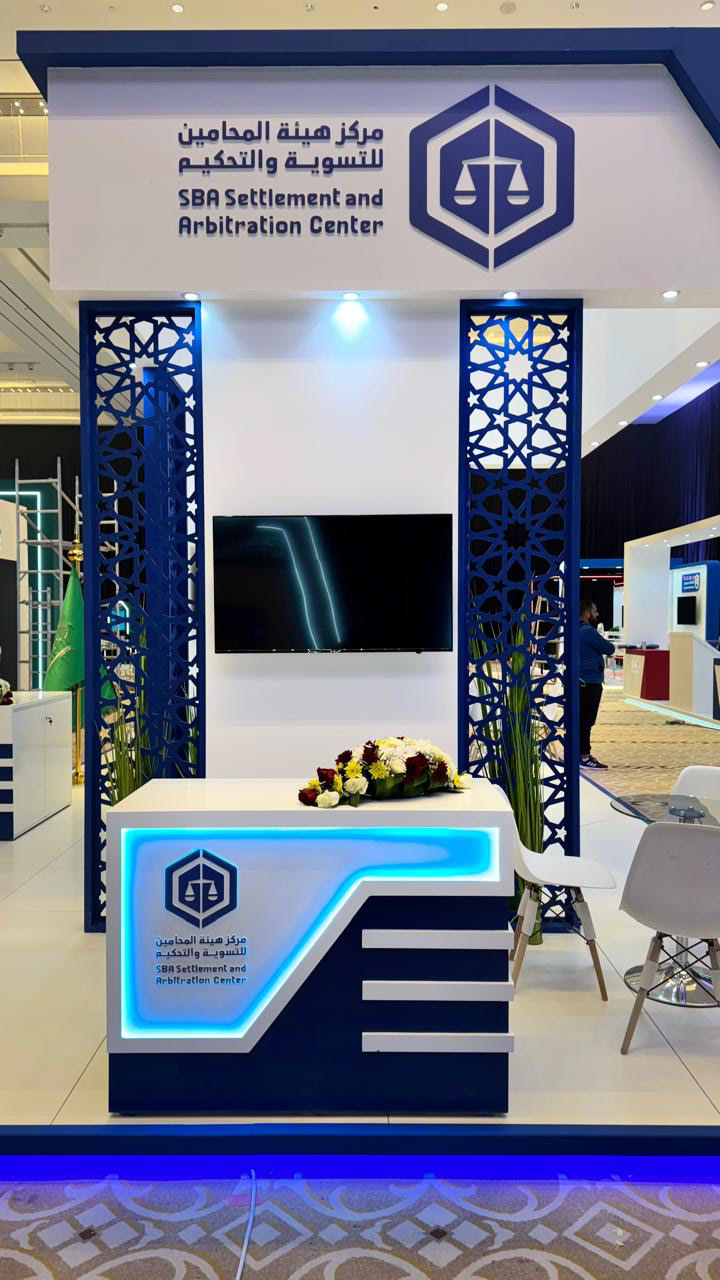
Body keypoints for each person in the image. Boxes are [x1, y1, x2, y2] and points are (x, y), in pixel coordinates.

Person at [579, 599, 615, 770]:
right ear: (587, 614)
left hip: (580, 681)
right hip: (590, 683)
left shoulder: (574, 629)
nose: (597, 614)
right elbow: (609, 649)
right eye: (595, 611)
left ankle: (579, 753)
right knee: (586, 721)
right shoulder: (588, 631)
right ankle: (584, 757)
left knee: (581, 721)